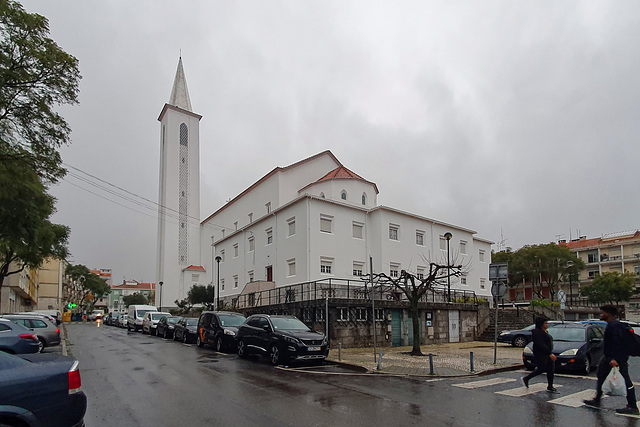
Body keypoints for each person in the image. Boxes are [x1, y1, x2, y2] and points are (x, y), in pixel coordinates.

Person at [583, 305, 638, 415]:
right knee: (601, 374)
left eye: (602, 313)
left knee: (626, 381)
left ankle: (633, 406)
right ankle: (597, 399)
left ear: (608, 314)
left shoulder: (614, 326)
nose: (601, 315)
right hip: (609, 357)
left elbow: (618, 344)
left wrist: (615, 359)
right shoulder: (612, 325)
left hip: (614, 358)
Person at [521, 317, 558, 392]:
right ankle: (526, 378)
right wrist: (549, 353)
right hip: (541, 354)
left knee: (551, 369)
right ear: (541, 324)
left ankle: (550, 386)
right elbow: (540, 344)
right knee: (542, 368)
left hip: (547, 353)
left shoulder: (544, 331)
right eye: (545, 323)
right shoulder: (537, 333)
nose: (546, 325)